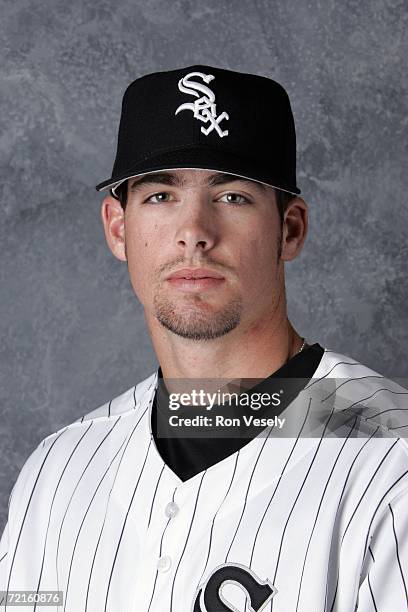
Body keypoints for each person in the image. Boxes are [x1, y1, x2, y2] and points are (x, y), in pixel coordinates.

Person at [0, 65, 407, 612]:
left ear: (290, 229)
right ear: (119, 229)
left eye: (232, 196)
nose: (194, 230)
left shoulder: (391, 464)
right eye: (161, 195)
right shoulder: (59, 471)